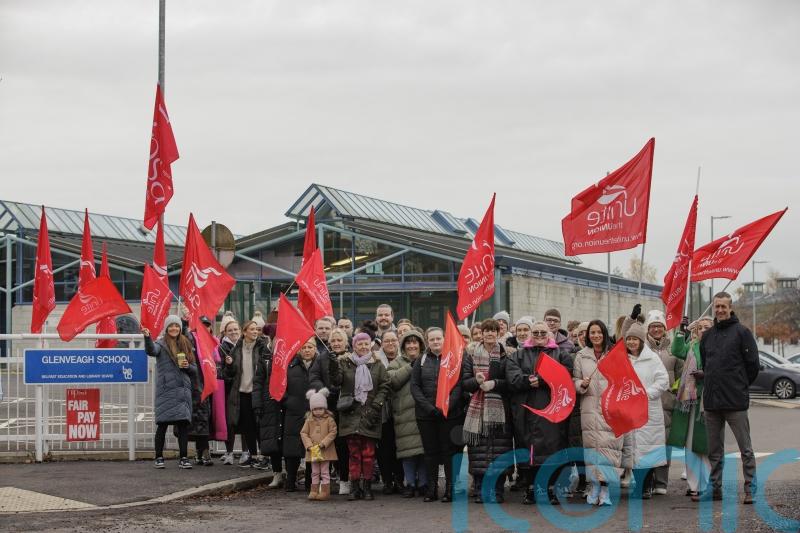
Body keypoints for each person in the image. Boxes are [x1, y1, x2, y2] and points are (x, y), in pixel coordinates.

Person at [693, 292, 759, 504]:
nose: (720, 310)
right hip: (712, 402)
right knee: (714, 451)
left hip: (735, 402)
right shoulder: (708, 336)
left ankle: (750, 489)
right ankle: (715, 489)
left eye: (724, 306)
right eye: (717, 306)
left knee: (745, 449)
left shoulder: (742, 333)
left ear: (730, 308)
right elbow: (706, 364)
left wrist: (739, 386)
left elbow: (753, 365)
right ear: (713, 307)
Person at [509, 320, 572, 505]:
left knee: (552, 449)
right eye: (535, 333)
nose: (538, 336)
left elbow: (566, 374)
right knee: (528, 451)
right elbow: (512, 377)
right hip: (526, 411)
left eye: (542, 333)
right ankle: (530, 488)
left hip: (552, 411)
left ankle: (552, 489)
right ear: (530, 335)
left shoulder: (561, 354)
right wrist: (529, 381)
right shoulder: (518, 355)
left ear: (549, 335)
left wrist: (543, 380)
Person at [622, 305, 682, 495]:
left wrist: (676, 392)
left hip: (667, 402)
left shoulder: (673, 349)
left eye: (660, 326)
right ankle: (644, 481)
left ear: (665, 329)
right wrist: (630, 320)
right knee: (642, 443)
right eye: (653, 326)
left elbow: (680, 375)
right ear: (647, 330)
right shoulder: (641, 348)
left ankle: (661, 482)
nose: (656, 329)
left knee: (664, 443)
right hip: (643, 406)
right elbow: (626, 336)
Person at [329, 332, 391, 501]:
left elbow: (385, 386)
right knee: (354, 454)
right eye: (359, 344)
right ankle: (355, 487)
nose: (363, 347)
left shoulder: (378, 364)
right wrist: (333, 365)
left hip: (371, 414)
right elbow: (336, 381)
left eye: (366, 344)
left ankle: (368, 487)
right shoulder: (344, 362)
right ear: (353, 346)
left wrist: (377, 406)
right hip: (350, 415)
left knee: (369, 453)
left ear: (370, 345)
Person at [410, 327, 466, 503]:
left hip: (450, 414)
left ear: (444, 339)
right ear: (427, 342)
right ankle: (432, 488)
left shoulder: (454, 360)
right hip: (426, 415)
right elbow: (415, 387)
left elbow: (458, 384)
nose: (435, 342)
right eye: (432, 339)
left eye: (438, 339)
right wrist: (429, 408)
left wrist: (448, 405)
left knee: (449, 451)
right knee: (430, 452)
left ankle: (450, 488)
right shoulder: (421, 360)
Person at [462, 319, 515, 504]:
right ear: (481, 333)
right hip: (476, 410)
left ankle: (498, 491)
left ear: (499, 333)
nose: (490, 334)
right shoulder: (470, 354)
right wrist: (476, 381)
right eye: (487, 331)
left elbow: (510, 382)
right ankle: (479, 490)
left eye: (494, 330)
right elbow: (464, 382)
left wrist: (495, 384)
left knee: (500, 451)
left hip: (500, 411)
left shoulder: (506, 355)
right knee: (478, 452)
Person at [573, 320, 619, 506]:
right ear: (587, 335)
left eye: (599, 332)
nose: (596, 336)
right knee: (592, 450)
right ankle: (594, 486)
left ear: (604, 333)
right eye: (592, 333)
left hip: (610, 407)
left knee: (608, 449)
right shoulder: (581, 356)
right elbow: (574, 379)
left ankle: (606, 488)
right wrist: (580, 384)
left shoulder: (615, 354)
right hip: (589, 408)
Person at [143, 315, 197, 470]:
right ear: (166, 328)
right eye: (171, 326)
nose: (174, 328)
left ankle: (184, 458)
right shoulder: (160, 343)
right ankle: (159, 457)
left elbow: (194, 369)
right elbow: (151, 351)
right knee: (162, 425)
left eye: (177, 326)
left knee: (183, 426)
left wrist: (187, 366)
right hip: (166, 390)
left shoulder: (186, 343)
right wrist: (147, 337)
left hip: (182, 391)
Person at [622, 323, 669, 500]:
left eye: (635, 339)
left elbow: (663, 380)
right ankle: (638, 484)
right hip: (629, 410)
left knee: (648, 448)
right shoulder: (624, 359)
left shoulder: (652, 359)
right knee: (632, 448)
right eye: (629, 339)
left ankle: (646, 485)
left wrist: (646, 394)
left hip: (648, 411)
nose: (632, 342)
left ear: (641, 341)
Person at [668, 316, 713, 498]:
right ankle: (694, 485)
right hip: (690, 401)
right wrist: (682, 330)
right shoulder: (692, 346)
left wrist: (706, 374)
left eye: (707, 327)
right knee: (691, 446)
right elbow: (676, 350)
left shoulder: (718, 347)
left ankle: (708, 484)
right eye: (700, 327)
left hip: (710, 401)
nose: (703, 330)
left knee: (708, 446)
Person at [310, 327, 351, 494]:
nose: (336, 343)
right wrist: (324, 390)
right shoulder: (322, 358)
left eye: (339, 340)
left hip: (349, 408)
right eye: (333, 340)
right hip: (329, 407)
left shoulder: (352, 358)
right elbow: (313, 377)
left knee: (345, 445)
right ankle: (331, 477)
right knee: (330, 443)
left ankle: (345, 479)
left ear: (345, 342)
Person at [388, 330, 427, 498]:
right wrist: (411, 366)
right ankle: (410, 484)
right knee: (408, 454)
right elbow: (392, 381)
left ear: (420, 345)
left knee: (424, 452)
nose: (412, 346)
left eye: (415, 342)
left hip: (423, 412)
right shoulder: (396, 363)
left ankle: (424, 483)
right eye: (408, 343)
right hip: (404, 416)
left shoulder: (428, 361)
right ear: (403, 347)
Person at [225, 320, 268, 468]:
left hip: (257, 393)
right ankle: (253, 455)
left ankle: (264, 455)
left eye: (257, 329)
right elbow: (228, 374)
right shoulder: (237, 349)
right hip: (242, 393)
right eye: (252, 329)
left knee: (260, 425)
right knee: (247, 427)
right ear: (244, 332)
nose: (255, 332)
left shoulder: (262, 347)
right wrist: (229, 364)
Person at [278, 338, 317, 492]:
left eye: (310, 347)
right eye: (304, 347)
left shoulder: (320, 366)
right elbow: (281, 386)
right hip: (293, 413)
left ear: (315, 348)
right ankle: (291, 480)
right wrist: (288, 401)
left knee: (313, 448)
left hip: (315, 415)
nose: (307, 350)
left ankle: (311, 481)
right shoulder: (290, 365)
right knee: (292, 449)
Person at [250, 326, 284, 487]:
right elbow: (257, 381)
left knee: (287, 440)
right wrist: (257, 403)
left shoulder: (288, 354)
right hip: (268, 403)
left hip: (285, 403)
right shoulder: (264, 355)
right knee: (272, 441)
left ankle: (291, 474)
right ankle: (277, 474)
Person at [376, 330, 405, 494]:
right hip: (382, 411)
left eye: (393, 340)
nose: (390, 343)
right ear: (382, 343)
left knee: (398, 447)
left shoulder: (404, 359)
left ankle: (399, 480)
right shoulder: (375, 359)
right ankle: (387, 480)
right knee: (384, 449)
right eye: (387, 341)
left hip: (400, 410)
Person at [186, 315, 215, 466]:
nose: (205, 328)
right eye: (202, 325)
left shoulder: (213, 342)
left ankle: (202, 452)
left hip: (211, 385)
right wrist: (185, 320)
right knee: (199, 419)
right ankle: (203, 452)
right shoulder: (192, 341)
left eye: (207, 325)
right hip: (196, 385)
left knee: (206, 420)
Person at [301, 388, 338, 501]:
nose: (318, 411)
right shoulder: (309, 420)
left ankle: (325, 491)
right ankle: (314, 490)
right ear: (312, 409)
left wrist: (324, 443)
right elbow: (303, 433)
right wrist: (308, 445)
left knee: (325, 471)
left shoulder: (329, 420)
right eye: (315, 409)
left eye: (321, 408)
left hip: (325, 450)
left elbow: (333, 432)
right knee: (315, 472)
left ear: (325, 408)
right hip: (313, 451)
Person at [218, 319, 241, 466]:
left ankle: (247, 453)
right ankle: (229, 452)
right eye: (230, 330)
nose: (233, 332)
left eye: (235, 329)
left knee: (245, 421)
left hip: (244, 388)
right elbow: (222, 373)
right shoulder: (221, 348)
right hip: (229, 390)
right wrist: (228, 366)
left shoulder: (244, 345)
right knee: (229, 421)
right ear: (225, 333)